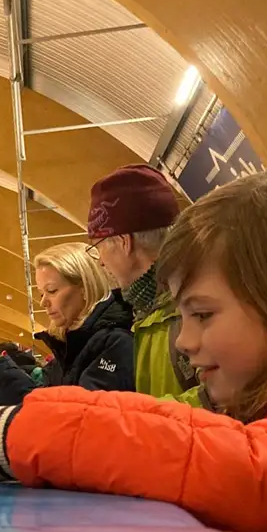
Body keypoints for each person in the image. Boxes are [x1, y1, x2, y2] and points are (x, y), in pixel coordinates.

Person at [0, 166, 267, 532]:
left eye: (203, 314)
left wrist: (33, 431)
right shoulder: (249, 394)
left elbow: (258, 471)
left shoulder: (123, 335)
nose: (185, 340)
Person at [86, 164, 202, 403]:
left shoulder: (193, 308)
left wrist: (130, 423)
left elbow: (231, 400)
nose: (101, 262)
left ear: (122, 242)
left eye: (97, 248)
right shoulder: (150, 310)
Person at [0, 243, 134, 405]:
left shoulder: (115, 344)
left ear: (85, 287)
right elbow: (48, 398)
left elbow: (77, 418)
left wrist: (4, 383)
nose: (43, 302)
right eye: (42, 293)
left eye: (52, 291)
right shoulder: (68, 348)